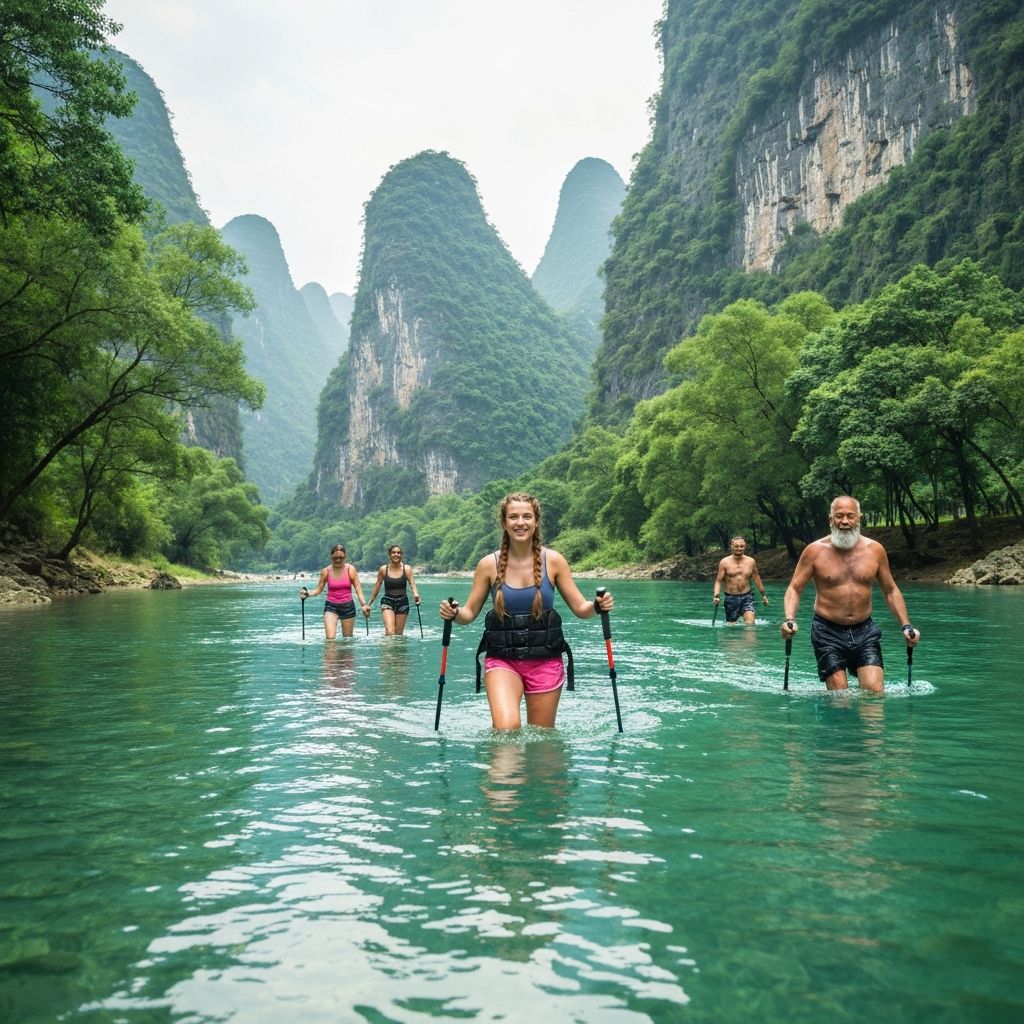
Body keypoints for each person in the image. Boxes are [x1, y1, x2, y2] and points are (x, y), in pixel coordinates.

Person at [438, 492, 613, 730]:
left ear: (536, 521)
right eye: (513, 517)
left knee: (541, 739)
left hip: (545, 660)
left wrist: (597, 606)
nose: (520, 522)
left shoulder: (554, 561)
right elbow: (468, 613)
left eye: (527, 516)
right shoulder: (488, 565)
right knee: (506, 729)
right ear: (504, 523)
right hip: (502, 660)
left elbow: (581, 609)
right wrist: (454, 613)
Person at [780, 496, 920, 692]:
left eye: (850, 516)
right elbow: (795, 588)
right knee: (840, 697)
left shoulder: (875, 550)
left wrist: (906, 625)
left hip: (865, 630)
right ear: (830, 520)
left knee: (874, 691)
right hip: (826, 631)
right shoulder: (814, 551)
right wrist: (789, 619)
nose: (844, 521)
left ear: (859, 519)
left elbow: (890, 590)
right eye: (839, 516)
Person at [301, 544, 369, 639]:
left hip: (348, 606)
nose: (338, 560)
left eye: (341, 557)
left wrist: (364, 605)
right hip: (331, 606)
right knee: (330, 639)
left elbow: (358, 589)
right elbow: (318, 589)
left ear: (345, 557)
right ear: (331, 557)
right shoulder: (326, 571)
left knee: (347, 639)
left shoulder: (350, 569)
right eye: (335, 558)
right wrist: (307, 594)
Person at [366, 544, 421, 635]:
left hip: (403, 602)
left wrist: (416, 594)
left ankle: (396, 649)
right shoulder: (383, 569)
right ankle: (387, 648)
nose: (396, 555)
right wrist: (369, 603)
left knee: (398, 634)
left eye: (398, 553)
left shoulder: (406, 569)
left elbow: (412, 583)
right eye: (394, 552)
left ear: (401, 555)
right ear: (390, 554)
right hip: (387, 602)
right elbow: (377, 586)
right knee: (390, 632)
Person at [712, 536, 769, 623]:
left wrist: (763, 595)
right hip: (730, 598)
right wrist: (716, 596)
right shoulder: (724, 562)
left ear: (745, 546)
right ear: (731, 546)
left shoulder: (751, 562)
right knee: (732, 626)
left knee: (750, 623)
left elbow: (757, 578)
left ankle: (749, 635)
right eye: (736, 546)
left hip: (747, 597)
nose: (739, 548)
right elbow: (718, 581)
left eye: (741, 546)